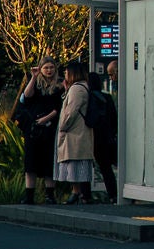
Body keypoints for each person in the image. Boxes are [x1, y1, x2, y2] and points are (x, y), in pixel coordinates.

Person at [15, 59, 63, 205]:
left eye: (51, 67)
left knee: (49, 162)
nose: (49, 70)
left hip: (50, 128)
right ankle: (29, 195)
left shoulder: (59, 86)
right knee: (31, 163)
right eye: (46, 68)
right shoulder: (36, 83)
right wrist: (34, 77)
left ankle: (50, 195)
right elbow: (27, 96)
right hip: (33, 128)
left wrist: (46, 119)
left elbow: (58, 108)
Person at [53, 59, 96, 205]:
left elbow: (71, 111)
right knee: (76, 162)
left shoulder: (77, 89)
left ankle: (79, 193)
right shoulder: (79, 87)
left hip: (75, 131)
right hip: (78, 130)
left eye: (66, 71)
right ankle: (80, 193)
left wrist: (63, 126)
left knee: (77, 162)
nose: (64, 73)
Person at [85, 66, 118, 204]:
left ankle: (85, 196)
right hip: (105, 137)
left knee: (84, 165)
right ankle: (113, 194)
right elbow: (114, 118)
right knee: (106, 168)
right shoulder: (107, 98)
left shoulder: (86, 98)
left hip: (89, 135)